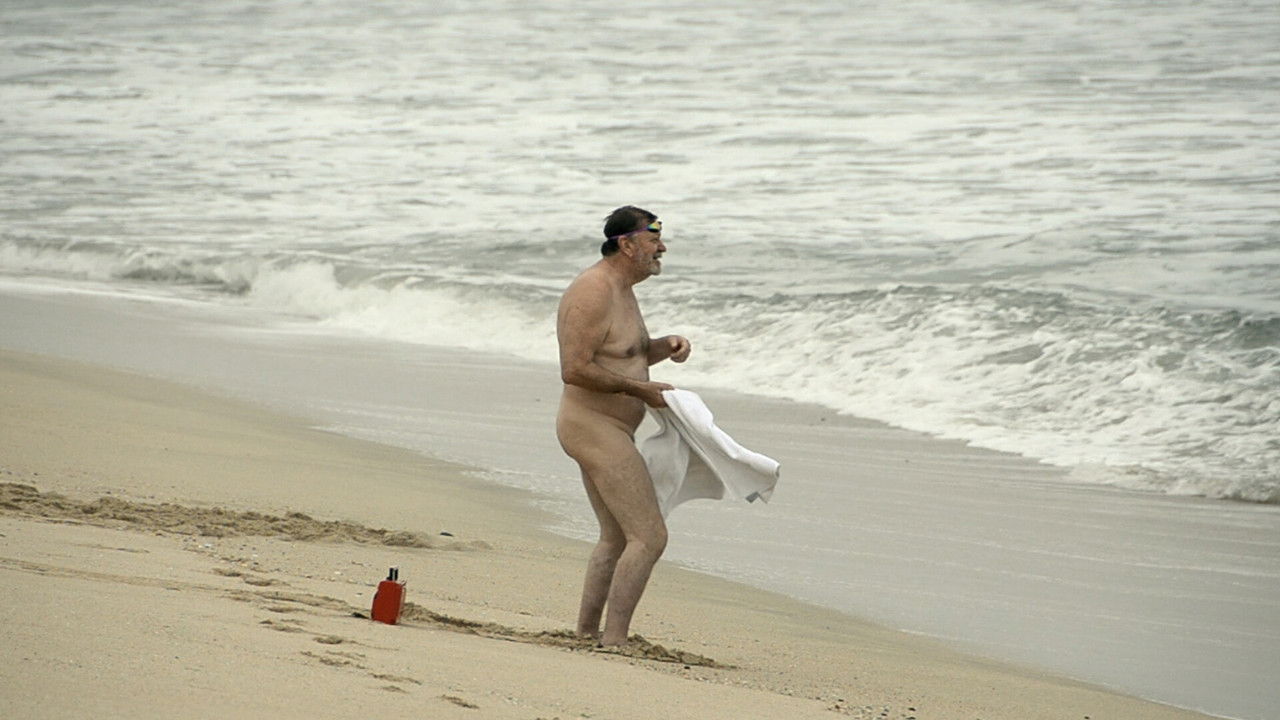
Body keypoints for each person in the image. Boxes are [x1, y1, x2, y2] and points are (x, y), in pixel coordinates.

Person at [555, 205, 692, 646]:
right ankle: (615, 641)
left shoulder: (622, 287)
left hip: (609, 427)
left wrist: (661, 347)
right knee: (649, 536)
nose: (662, 248)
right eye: (653, 240)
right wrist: (640, 393)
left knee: (615, 538)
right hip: (591, 425)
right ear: (627, 244)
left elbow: (622, 355)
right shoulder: (593, 290)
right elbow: (574, 369)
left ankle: (587, 632)